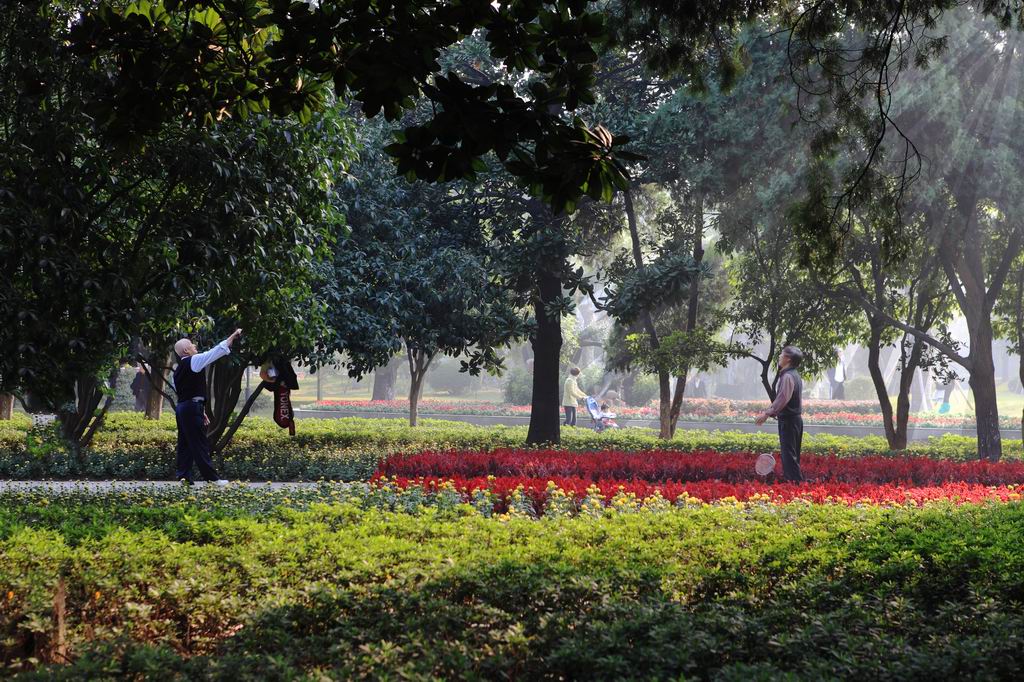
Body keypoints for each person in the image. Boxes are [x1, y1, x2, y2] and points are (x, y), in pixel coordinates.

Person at [172, 329, 242, 485]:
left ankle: (184, 477)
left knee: (185, 443)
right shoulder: (194, 360)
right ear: (186, 350)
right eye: (191, 345)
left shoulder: (177, 370)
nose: (195, 346)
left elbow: (185, 392)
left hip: (183, 408)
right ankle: (212, 479)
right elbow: (215, 352)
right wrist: (233, 335)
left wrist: (200, 411)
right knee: (199, 444)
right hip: (190, 408)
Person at [755, 346, 804, 482]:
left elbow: (782, 398)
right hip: (794, 420)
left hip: (789, 421)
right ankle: (795, 485)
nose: (779, 357)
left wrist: (766, 414)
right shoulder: (794, 374)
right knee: (792, 455)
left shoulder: (788, 376)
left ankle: (795, 486)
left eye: (782, 354)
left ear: (788, 359)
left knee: (789, 457)